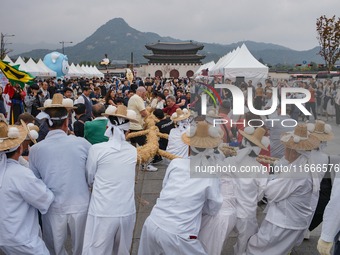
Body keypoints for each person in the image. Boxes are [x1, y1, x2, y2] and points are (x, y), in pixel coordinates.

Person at [138, 121, 223, 255]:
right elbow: (213, 208)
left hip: (153, 222)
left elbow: (165, 188)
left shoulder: (176, 163)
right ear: (210, 150)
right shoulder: (210, 175)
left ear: (188, 146)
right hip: (179, 233)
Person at [29, 94, 92, 255]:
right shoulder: (82, 144)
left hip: (52, 206)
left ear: (46, 122)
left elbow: (35, 182)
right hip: (81, 203)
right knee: (83, 249)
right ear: (66, 122)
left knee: (55, 251)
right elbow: (91, 175)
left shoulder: (36, 149)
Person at [246, 124, 320, 255]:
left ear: (294, 153)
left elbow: (271, 193)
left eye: (286, 148)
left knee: (259, 248)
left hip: (283, 222)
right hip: (294, 220)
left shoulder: (295, 173)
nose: (284, 150)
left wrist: (264, 180)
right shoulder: (305, 164)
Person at [83, 105, 138, 255]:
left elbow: (89, 178)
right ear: (127, 132)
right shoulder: (133, 151)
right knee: (122, 251)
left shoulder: (96, 149)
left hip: (102, 211)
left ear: (107, 127)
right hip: (127, 211)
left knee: (97, 250)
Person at [0, 115, 55, 255]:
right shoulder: (21, 174)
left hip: (4, 237)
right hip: (22, 239)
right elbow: (45, 199)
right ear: (19, 150)